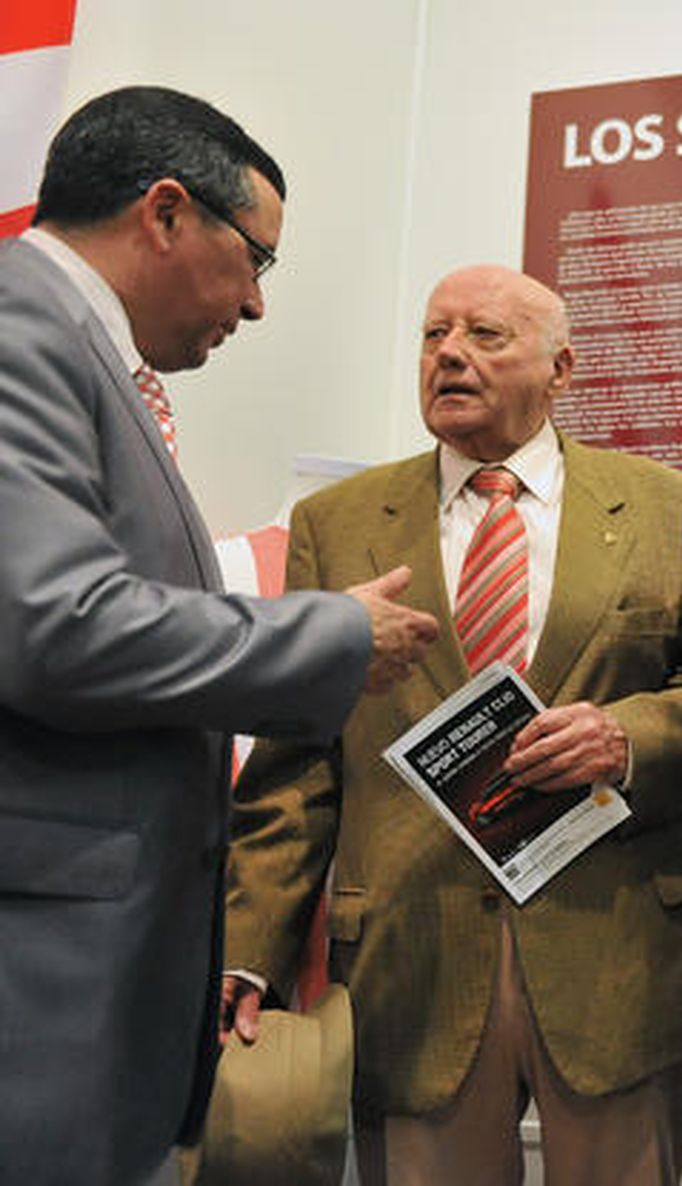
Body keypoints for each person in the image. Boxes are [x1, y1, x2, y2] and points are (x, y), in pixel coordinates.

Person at [0, 86, 438, 1186]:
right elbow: (55, 625)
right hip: (44, 984)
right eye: (257, 261)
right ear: (164, 212)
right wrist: (329, 637)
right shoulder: (21, 330)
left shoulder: (84, 357)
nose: (253, 307)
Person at [221, 263, 682, 1186]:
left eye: (485, 336)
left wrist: (627, 741)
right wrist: (247, 950)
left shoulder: (671, 509)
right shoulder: (334, 524)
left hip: (613, 953)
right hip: (411, 964)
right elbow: (297, 762)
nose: (449, 354)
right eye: (433, 335)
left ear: (562, 368)